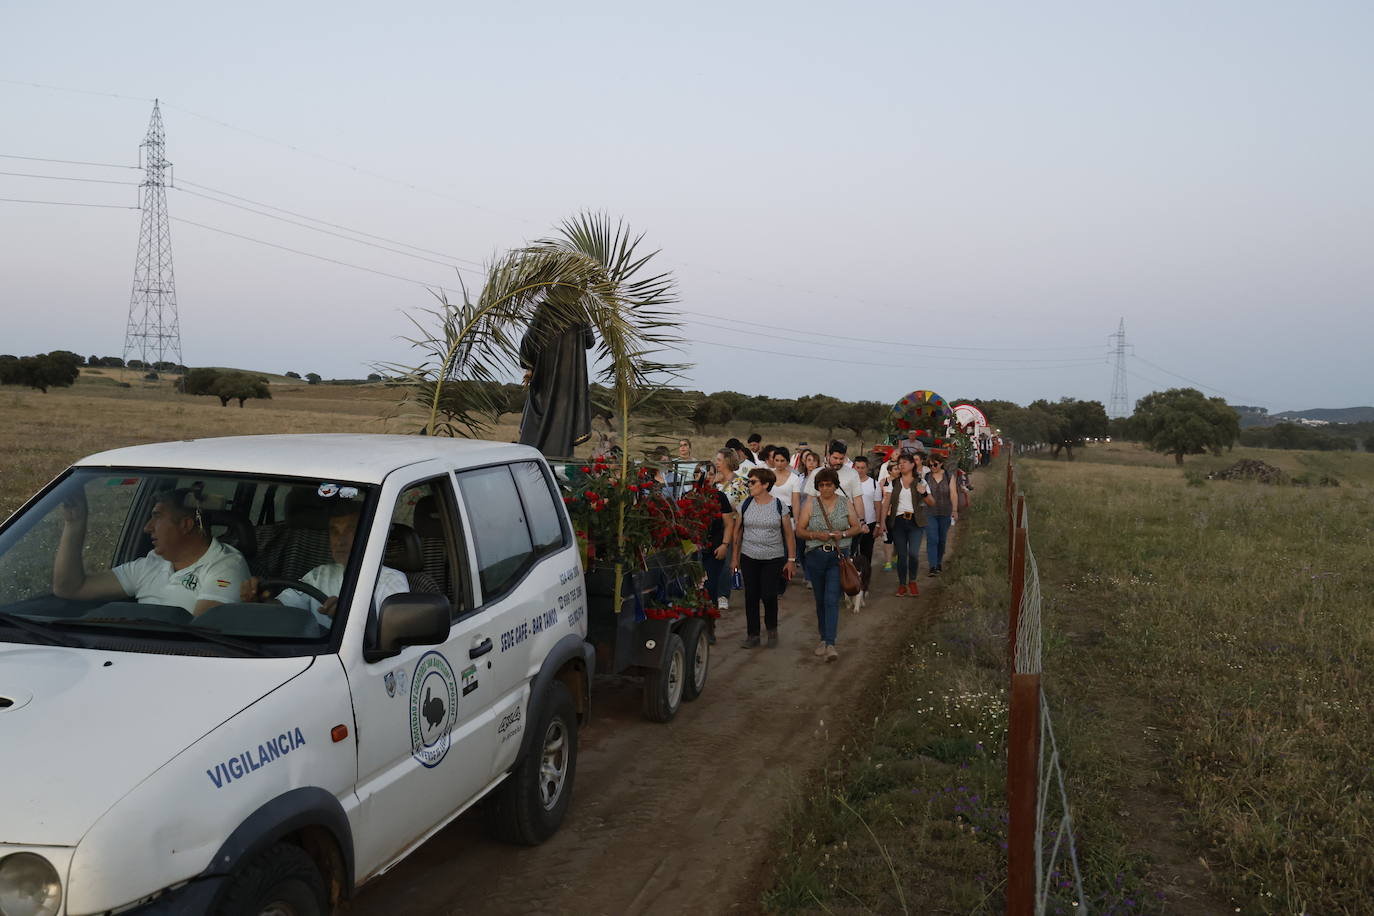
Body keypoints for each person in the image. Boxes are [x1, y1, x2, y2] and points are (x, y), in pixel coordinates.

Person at [52, 486, 250, 616]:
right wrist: (74, 523)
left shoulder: (225, 567)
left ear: (185, 525)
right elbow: (70, 588)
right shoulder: (152, 563)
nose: (147, 527)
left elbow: (203, 635)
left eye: (157, 516)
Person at [241, 501, 408, 628]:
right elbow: (283, 609)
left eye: (350, 530)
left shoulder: (390, 581)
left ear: (368, 535)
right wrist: (259, 603)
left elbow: (390, 640)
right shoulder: (320, 574)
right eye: (335, 531)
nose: (340, 541)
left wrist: (348, 618)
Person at [796, 468, 861, 662]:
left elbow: (856, 526)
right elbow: (799, 530)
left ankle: (831, 643)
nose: (825, 488)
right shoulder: (811, 504)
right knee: (820, 599)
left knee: (832, 599)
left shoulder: (844, 503)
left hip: (837, 557)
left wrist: (843, 534)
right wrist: (816, 535)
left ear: (835, 485)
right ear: (817, 487)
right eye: (822, 485)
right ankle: (823, 638)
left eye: (829, 485)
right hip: (815, 556)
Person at [730, 468, 797, 648]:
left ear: (765, 485)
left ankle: (772, 629)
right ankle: (753, 634)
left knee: (768, 594)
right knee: (751, 595)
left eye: (753, 482)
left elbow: (789, 535)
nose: (749, 485)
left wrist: (791, 560)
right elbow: (738, 533)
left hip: (773, 557)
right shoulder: (744, 505)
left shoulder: (779, 506)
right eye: (748, 482)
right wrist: (734, 559)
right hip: (749, 556)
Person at [517, 302, 595, 456]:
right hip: (568, 386)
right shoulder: (579, 311)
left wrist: (528, 364)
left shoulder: (544, 309)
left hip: (544, 378)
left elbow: (528, 340)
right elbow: (590, 341)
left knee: (537, 429)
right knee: (561, 424)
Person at [877, 453, 934, 596]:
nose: (901, 465)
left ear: (912, 465)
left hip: (916, 522)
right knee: (902, 555)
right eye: (899, 463)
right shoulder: (893, 483)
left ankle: (913, 581)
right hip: (898, 522)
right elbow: (886, 504)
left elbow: (932, 503)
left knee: (913, 554)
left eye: (904, 462)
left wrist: (924, 494)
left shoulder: (920, 482)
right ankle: (902, 584)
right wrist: (882, 522)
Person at [801, 440, 870, 526]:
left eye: (841, 459)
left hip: (845, 523)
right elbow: (810, 499)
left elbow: (857, 499)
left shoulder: (853, 474)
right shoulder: (816, 473)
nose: (838, 462)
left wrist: (862, 521)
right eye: (835, 458)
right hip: (820, 522)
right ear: (828, 456)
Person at [851, 455, 880, 603]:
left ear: (867, 468)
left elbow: (877, 505)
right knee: (852, 556)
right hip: (852, 525)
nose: (860, 470)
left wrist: (879, 524)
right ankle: (850, 584)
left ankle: (865, 585)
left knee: (866, 556)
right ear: (853, 467)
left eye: (863, 468)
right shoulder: (849, 483)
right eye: (858, 467)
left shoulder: (874, 484)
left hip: (869, 524)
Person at [925, 459, 959, 575]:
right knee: (932, 539)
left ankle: (938, 562)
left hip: (945, 512)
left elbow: (953, 494)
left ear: (941, 464)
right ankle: (932, 566)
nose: (932, 466)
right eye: (930, 465)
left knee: (941, 539)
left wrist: (954, 509)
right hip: (930, 512)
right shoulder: (926, 477)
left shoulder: (949, 476)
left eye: (935, 464)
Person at [766, 445, 799, 513]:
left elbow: (796, 503)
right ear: (773, 460)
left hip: (788, 513)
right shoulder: (767, 475)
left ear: (787, 461)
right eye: (777, 460)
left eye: (782, 461)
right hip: (768, 512)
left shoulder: (794, 478)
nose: (779, 464)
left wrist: (796, 521)